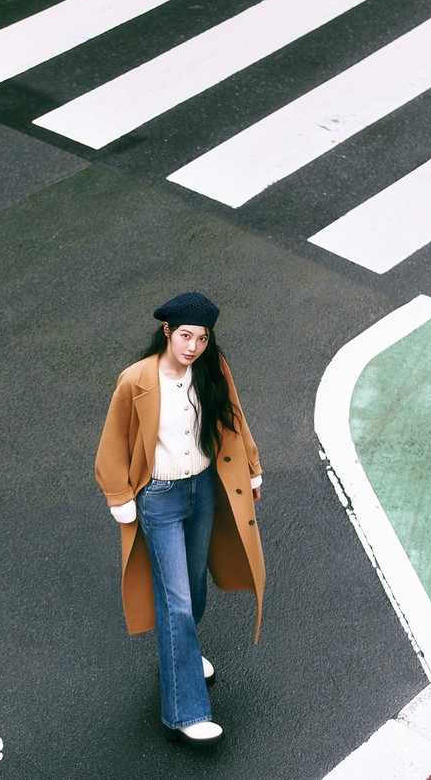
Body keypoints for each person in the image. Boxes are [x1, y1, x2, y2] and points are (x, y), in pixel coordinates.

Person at [95, 292, 265, 747]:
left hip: (202, 489)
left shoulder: (211, 369)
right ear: (167, 331)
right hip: (160, 498)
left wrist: (251, 468)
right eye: (186, 336)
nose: (193, 347)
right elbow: (112, 441)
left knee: (194, 588)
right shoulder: (137, 379)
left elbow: (234, 417)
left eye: (202, 338)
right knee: (177, 602)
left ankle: (181, 657)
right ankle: (186, 713)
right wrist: (119, 495)